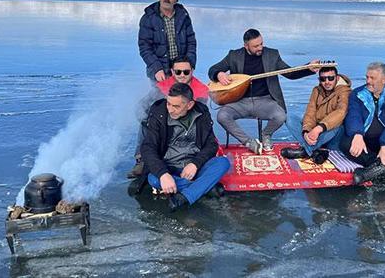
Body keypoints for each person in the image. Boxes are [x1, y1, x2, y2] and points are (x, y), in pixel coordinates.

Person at [208, 28, 318, 154]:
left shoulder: (272, 55)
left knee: (281, 116)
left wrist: (308, 68)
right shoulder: (234, 55)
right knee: (222, 116)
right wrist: (219, 74)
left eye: (261, 43)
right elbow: (213, 69)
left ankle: (266, 134)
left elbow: (290, 73)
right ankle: (249, 142)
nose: (260, 47)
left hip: (265, 101)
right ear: (246, 46)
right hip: (240, 102)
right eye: (256, 46)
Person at [140, 82, 230, 211]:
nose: (170, 109)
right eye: (168, 103)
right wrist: (163, 174)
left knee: (223, 163)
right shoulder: (158, 114)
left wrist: (195, 164)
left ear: (190, 105)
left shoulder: (201, 113)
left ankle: (183, 197)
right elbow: (147, 148)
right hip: (168, 167)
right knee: (154, 179)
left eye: (176, 106)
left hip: (193, 167)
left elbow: (211, 145)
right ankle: (203, 188)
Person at [128, 55, 210, 178]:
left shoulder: (201, 90)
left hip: (186, 127)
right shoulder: (162, 86)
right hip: (163, 121)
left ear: (192, 71)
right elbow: (141, 106)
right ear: (172, 71)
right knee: (145, 123)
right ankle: (141, 160)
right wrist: (151, 122)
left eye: (186, 72)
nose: (182, 75)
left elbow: (200, 117)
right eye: (178, 72)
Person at [281, 67, 351, 163]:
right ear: (319, 80)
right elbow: (310, 112)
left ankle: (306, 151)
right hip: (316, 135)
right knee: (289, 118)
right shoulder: (316, 90)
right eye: (323, 79)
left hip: (332, 135)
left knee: (338, 126)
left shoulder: (345, 91)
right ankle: (316, 151)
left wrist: (319, 128)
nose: (327, 82)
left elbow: (340, 112)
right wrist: (306, 132)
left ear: (337, 78)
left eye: (331, 78)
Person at [138, 0, 197, 81]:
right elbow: (145, 47)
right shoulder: (148, 18)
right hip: (159, 70)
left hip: (180, 69)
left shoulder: (183, 17)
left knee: (185, 95)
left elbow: (191, 42)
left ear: (175, 0)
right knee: (159, 95)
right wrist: (157, 68)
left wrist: (190, 65)